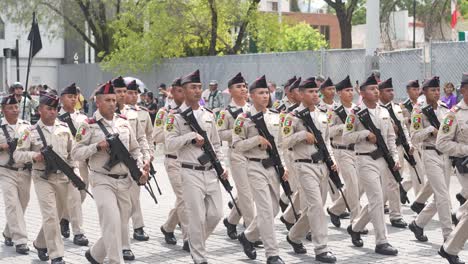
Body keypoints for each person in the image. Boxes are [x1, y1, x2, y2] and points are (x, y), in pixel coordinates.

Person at [72, 81, 147, 264]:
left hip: (125, 180)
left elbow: (135, 149)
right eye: (108, 100)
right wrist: (97, 146)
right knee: (112, 222)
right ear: (98, 103)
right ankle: (115, 260)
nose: (113, 103)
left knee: (120, 223)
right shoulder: (88, 125)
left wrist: (141, 166)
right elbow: (75, 153)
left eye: (114, 100)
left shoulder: (123, 122)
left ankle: (96, 254)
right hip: (102, 179)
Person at [165, 69, 225, 264]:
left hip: (211, 171)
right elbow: (169, 144)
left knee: (216, 214)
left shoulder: (208, 115)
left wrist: (222, 165)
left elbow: (216, 144)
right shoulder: (174, 117)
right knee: (197, 217)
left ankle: (194, 240)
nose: (198, 91)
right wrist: (190, 137)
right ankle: (199, 257)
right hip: (189, 171)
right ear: (183, 90)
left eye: (200, 87)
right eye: (193, 87)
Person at [343, 73, 399, 256]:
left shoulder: (384, 111)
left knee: (380, 198)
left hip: (384, 159)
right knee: (376, 198)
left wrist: (396, 158)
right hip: (365, 159)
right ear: (362, 92)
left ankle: (356, 227)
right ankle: (382, 241)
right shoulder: (355, 113)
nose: (376, 92)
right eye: (372, 89)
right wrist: (364, 134)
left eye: (377, 89)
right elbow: (346, 137)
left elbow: (391, 137)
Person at [282, 76, 337, 263]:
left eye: (316, 91)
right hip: (303, 165)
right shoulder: (292, 117)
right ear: (301, 94)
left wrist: (332, 160)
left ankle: (293, 236)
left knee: (316, 208)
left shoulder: (323, 114)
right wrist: (301, 135)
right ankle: (321, 248)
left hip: (322, 165)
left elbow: (327, 140)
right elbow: (284, 142)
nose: (315, 95)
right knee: (316, 207)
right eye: (310, 92)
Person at [233, 75, 286, 264]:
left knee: (273, 209)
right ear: (252, 96)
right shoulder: (243, 118)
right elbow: (237, 145)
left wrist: (284, 167)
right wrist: (256, 141)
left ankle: (247, 236)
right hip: (254, 166)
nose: (265, 96)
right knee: (265, 210)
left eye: (267, 92)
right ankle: (272, 254)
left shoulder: (275, 116)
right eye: (261, 93)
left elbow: (281, 145)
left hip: (273, 167)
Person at [14, 92, 73, 264]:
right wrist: (34, 155)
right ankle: (57, 255)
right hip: (42, 178)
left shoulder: (64, 128)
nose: (53, 112)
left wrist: (74, 171)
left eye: (55, 109)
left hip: (63, 178)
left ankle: (40, 243)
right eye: (49, 108)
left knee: (58, 215)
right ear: (40, 109)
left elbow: (72, 154)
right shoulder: (29, 131)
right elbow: (17, 155)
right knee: (50, 216)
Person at [408, 76, 453, 243]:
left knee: (439, 197)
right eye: (432, 90)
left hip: (445, 155)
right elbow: (414, 137)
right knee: (442, 196)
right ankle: (449, 236)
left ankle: (418, 224)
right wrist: (430, 130)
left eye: (437, 89)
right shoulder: (418, 111)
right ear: (425, 92)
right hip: (430, 154)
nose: (436, 92)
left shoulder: (444, 108)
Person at [154, 77, 189, 251]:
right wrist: (171, 130)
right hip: (173, 159)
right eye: (181, 90)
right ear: (173, 92)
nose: (185, 94)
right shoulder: (164, 112)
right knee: (184, 197)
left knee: (185, 199)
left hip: (191, 161)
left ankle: (168, 227)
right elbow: (156, 137)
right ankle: (189, 238)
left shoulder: (194, 111)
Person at [216, 73, 253, 240]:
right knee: (246, 194)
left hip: (255, 154)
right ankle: (251, 232)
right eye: (239, 86)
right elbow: (218, 133)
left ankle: (231, 221)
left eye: (244, 86)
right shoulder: (226, 112)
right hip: (237, 154)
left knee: (248, 192)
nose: (243, 89)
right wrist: (238, 132)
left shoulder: (252, 109)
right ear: (230, 91)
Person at [437, 73, 468, 264]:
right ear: (464, 90)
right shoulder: (454, 114)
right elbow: (442, 143)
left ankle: (460, 214)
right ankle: (450, 248)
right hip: (465, 166)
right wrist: (465, 149)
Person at [327, 76, 362, 229]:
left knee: (359, 185)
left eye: (351, 90)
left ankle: (335, 209)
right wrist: (344, 127)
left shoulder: (357, 109)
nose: (350, 93)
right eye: (346, 91)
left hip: (357, 151)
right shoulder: (333, 111)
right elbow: (327, 132)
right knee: (353, 185)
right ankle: (356, 221)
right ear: (339, 93)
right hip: (341, 150)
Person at [57, 83, 89, 247]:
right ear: (62, 99)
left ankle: (65, 218)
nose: (73, 99)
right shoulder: (55, 118)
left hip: (82, 162)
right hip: (65, 164)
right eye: (70, 96)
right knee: (75, 197)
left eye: (75, 96)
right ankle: (79, 232)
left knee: (82, 194)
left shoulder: (83, 118)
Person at [0, 94, 32, 255]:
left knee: (22, 204)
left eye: (16, 107)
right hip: (6, 172)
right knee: (12, 204)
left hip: (24, 171)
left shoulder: (26, 126)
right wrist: (3, 146)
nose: (15, 110)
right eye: (10, 108)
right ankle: (20, 240)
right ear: (3, 110)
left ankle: (8, 232)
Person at [124, 80, 154, 242]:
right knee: (127, 196)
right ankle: (130, 226)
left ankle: (138, 227)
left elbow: (148, 135)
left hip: (138, 158)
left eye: (136, 93)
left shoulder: (143, 112)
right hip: (120, 158)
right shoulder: (116, 112)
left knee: (135, 194)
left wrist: (148, 155)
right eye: (130, 92)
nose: (134, 96)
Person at [377, 78, 408, 228]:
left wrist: (409, 143)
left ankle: (396, 216)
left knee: (394, 181)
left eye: (392, 90)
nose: (391, 93)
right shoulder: (375, 110)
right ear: (380, 93)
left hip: (396, 148)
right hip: (378, 152)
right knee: (379, 185)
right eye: (388, 91)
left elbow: (403, 127)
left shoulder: (396, 108)